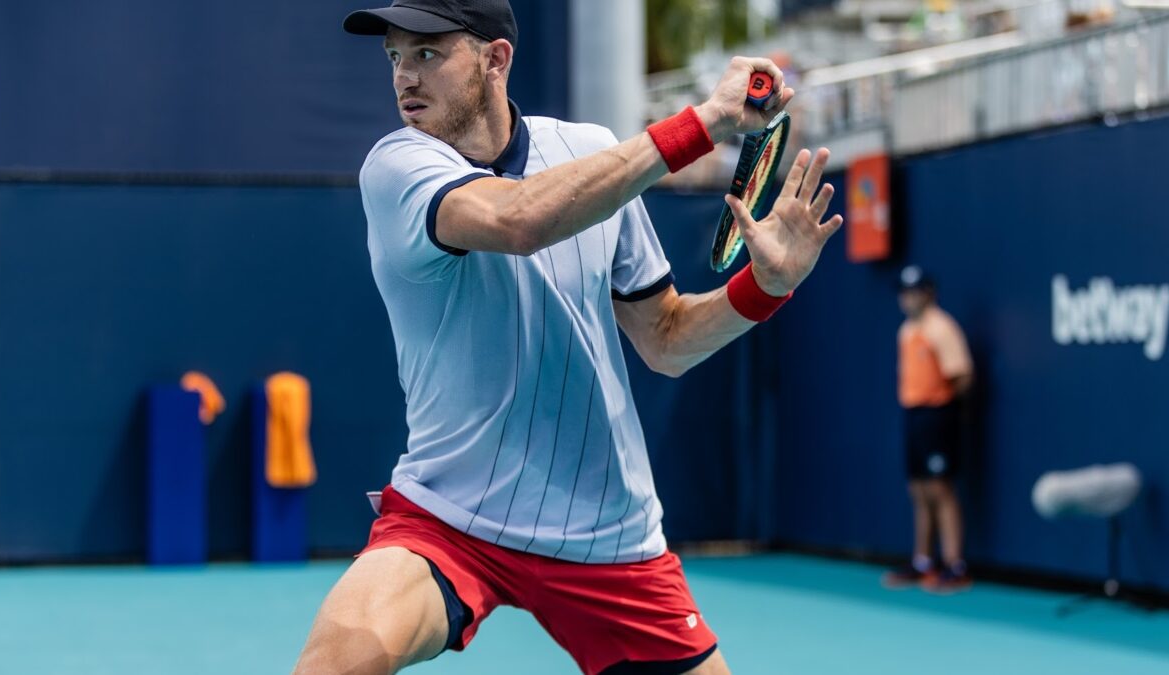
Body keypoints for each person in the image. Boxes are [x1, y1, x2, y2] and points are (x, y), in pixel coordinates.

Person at [294, 1, 843, 673]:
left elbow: (665, 338)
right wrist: (702, 123)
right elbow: (519, 219)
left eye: (428, 54)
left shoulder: (590, 154)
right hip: (451, 515)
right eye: (396, 57)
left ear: (495, 60)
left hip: (606, 533)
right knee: (336, 661)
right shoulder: (397, 167)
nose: (405, 76)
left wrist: (765, 288)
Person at [882, 265, 974, 593]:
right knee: (919, 490)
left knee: (940, 489)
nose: (908, 298)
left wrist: (943, 405)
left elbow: (962, 375)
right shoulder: (907, 330)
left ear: (929, 293)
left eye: (915, 291)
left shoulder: (942, 328)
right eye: (904, 292)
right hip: (913, 415)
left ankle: (954, 564)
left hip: (938, 415)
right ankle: (923, 561)